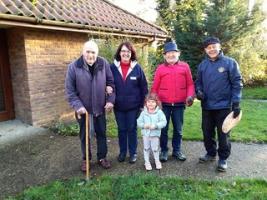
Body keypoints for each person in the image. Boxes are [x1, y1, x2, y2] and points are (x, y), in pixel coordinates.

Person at [65, 40, 115, 171]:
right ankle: (86, 159)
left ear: (97, 53)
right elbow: (70, 92)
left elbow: (111, 83)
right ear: (83, 52)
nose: (90, 55)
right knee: (84, 135)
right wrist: (78, 106)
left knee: (101, 133)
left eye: (93, 52)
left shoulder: (103, 63)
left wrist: (110, 101)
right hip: (83, 110)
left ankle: (102, 157)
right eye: (88, 51)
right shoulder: (74, 67)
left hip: (100, 107)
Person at [195, 36, 243, 172]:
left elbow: (237, 83)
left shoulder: (230, 63)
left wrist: (236, 102)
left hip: (224, 106)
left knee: (223, 134)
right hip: (207, 106)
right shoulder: (202, 65)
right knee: (206, 132)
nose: (212, 49)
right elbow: (198, 82)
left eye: (214, 46)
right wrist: (198, 91)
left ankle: (223, 159)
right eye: (209, 47)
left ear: (219, 46)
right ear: (205, 50)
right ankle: (210, 153)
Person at [151, 41, 195, 162]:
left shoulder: (185, 67)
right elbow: (154, 88)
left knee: (178, 129)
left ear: (178, 54)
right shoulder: (160, 68)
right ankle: (164, 150)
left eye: (173, 53)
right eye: (168, 53)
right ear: (164, 55)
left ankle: (177, 150)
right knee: (163, 129)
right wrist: (155, 102)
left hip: (179, 105)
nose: (171, 55)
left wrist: (190, 96)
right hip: (163, 105)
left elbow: (190, 84)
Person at [110, 42, 148, 164]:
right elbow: (108, 83)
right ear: (119, 53)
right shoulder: (112, 68)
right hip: (118, 106)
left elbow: (144, 88)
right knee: (121, 129)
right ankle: (122, 152)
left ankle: (133, 153)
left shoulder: (137, 68)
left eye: (128, 51)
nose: (125, 53)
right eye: (123, 51)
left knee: (131, 129)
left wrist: (143, 105)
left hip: (133, 107)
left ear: (131, 54)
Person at [137, 93, 167, 170]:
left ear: (156, 103)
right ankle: (147, 162)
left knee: (155, 148)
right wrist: (144, 125)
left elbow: (164, 122)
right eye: (149, 102)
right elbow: (138, 122)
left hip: (155, 135)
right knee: (146, 148)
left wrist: (156, 125)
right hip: (146, 135)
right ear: (146, 103)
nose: (150, 104)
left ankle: (157, 161)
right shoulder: (143, 112)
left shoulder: (159, 112)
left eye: (153, 102)